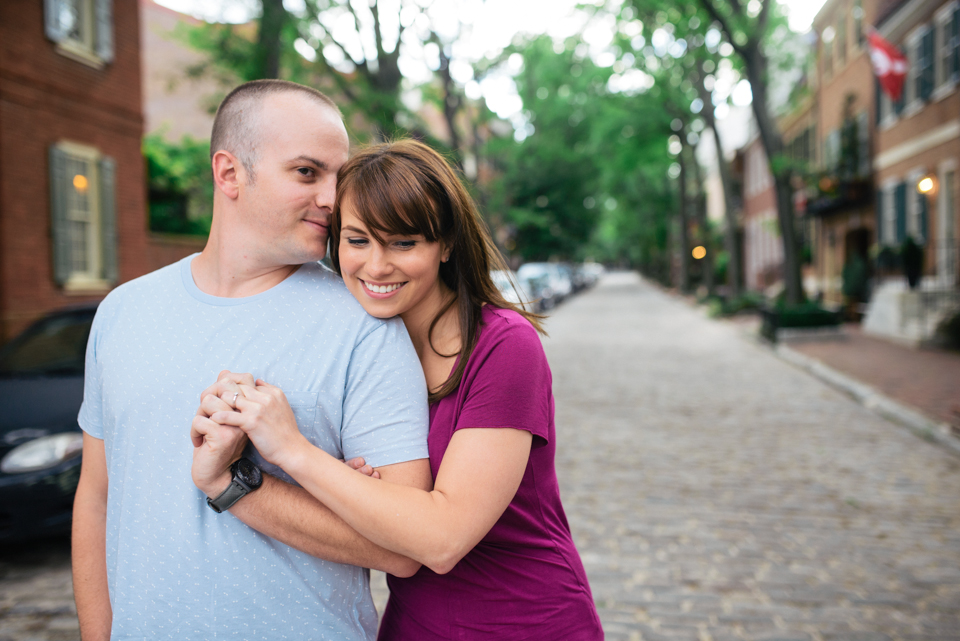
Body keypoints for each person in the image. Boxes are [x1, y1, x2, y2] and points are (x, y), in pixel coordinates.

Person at [72, 80, 433, 641]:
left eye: (339, 177)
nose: (335, 200)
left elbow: (407, 545)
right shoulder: (121, 313)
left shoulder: (365, 325)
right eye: (308, 173)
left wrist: (242, 482)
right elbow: (96, 500)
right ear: (229, 173)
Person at [202, 139, 604, 640]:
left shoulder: (503, 346)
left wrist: (294, 450)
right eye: (357, 240)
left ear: (447, 244)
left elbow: (442, 539)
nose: (376, 266)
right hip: (415, 625)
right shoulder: (357, 350)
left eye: (404, 243)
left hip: (524, 619)